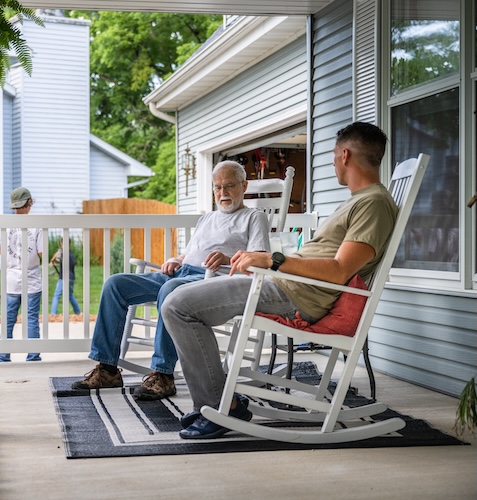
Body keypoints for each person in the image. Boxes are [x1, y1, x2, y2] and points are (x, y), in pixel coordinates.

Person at [161, 122, 399, 439]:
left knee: (178, 305)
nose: (332, 162)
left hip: (293, 294)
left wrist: (273, 259)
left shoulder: (374, 203)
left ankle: (220, 405)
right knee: (180, 301)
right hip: (284, 283)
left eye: (332, 155)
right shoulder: (360, 200)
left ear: (344, 155)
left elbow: (340, 270)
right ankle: (220, 402)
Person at [71, 160, 271, 400]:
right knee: (116, 284)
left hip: (213, 281)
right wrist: (177, 259)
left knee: (170, 290)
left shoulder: (253, 217)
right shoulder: (207, 218)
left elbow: (260, 258)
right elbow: (192, 253)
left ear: (244, 185)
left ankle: (163, 374)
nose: (222, 193)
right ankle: (108, 369)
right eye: (217, 187)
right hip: (182, 273)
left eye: (229, 186)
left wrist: (228, 258)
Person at [0, 187, 43, 362]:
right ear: (29, 203)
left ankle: (4, 355)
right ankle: (33, 355)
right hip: (32, 279)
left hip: (11, 279)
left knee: (8, 318)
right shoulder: (37, 225)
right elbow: (42, 252)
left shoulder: (5, 223)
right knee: (31, 318)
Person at [50, 238, 81, 315]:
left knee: (56, 295)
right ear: (70, 244)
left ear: (61, 243)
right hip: (71, 278)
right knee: (70, 295)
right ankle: (78, 312)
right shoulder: (71, 254)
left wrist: (52, 261)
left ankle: (53, 313)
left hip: (64, 278)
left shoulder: (62, 252)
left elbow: (55, 256)